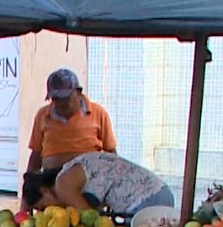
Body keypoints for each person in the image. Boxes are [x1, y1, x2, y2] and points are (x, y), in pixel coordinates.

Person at [24, 68, 116, 207]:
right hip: (52, 185)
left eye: (65, 98)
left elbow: (111, 154)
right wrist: (27, 194)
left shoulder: (98, 113)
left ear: (78, 92)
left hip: (87, 183)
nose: (60, 104)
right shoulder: (42, 115)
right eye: (55, 99)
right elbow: (36, 155)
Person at [22, 153, 173, 216]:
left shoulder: (62, 184)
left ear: (45, 191)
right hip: (161, 191)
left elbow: (90, 217)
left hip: (144, 201)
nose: (45, 212)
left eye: (42, 207)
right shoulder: (72, 172)